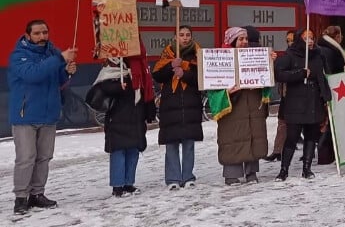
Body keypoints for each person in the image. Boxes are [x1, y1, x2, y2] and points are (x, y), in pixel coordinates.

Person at [9, 20, 77, 215]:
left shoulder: (53, 53)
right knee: (26, 158)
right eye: (37, 33)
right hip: (25, 115)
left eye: (45, 32)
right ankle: (21, 197)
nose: (42, 37)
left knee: (44, 157)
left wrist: (67, 71)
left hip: (49, 114)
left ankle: (37, 194)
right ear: (27, 35)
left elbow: (59, 80)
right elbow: (33, 75)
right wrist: (59, 60)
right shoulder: (19, 56)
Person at [207, 27, 271, 185]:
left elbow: (267, 80)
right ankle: (232, 174)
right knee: (232, 139)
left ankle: (251, 172)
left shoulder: (255, 57)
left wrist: (270, 63)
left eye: (246, 39)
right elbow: (212, 89)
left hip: (252, 106)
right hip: (233, 108)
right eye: (241, 39)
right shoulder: (218, 58)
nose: (244, 42)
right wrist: (226, 92)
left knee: (253, 137)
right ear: (232, 40)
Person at [97, 44, 157, 198]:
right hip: (117, 115)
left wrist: (149, 108)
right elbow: (103, 86)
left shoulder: (140, 67)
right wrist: (118, 86)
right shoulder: (111, 65)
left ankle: (129, 183)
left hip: (136, 113)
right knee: (118, 150)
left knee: (133, 149)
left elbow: (146, 87)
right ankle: (117, 186)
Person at [274, 30, 333, 181]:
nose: (310, 41)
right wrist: (299, 74)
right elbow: (279, 74)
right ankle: (284, 169)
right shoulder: (290, 55)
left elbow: (323, 77)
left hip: (313, 101)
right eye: (306, 38)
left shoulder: (318, 55)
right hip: (295, 103)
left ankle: (307, 168)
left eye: (312, 38)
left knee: (311, 136)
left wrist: (326, 98)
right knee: (291, 137)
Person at [151, 25, 204, 190]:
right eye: (181, 35)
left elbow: (202, 79)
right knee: (171, 143)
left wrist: (185, 74)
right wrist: (170, 67)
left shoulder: (198, 55)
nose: (185, 37)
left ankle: (188, 176)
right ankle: (173, 178)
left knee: (189, 143)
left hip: (190, 105)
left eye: (188, 34)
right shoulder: (167, 54)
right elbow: (157, 75)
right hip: (171, 106)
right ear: (175, 37)